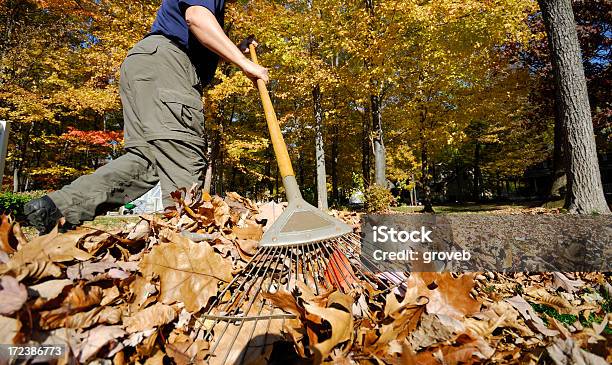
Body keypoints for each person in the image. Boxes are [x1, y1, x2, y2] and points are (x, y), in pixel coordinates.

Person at [24, 0, 268, 234]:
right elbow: (196, 18)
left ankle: (57, 209)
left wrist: (235, 51)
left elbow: (199, 36)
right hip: (168, 64)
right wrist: (244, 63)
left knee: (146, 161)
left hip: (146, 66)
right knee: (182, 154)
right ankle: (186, 246)